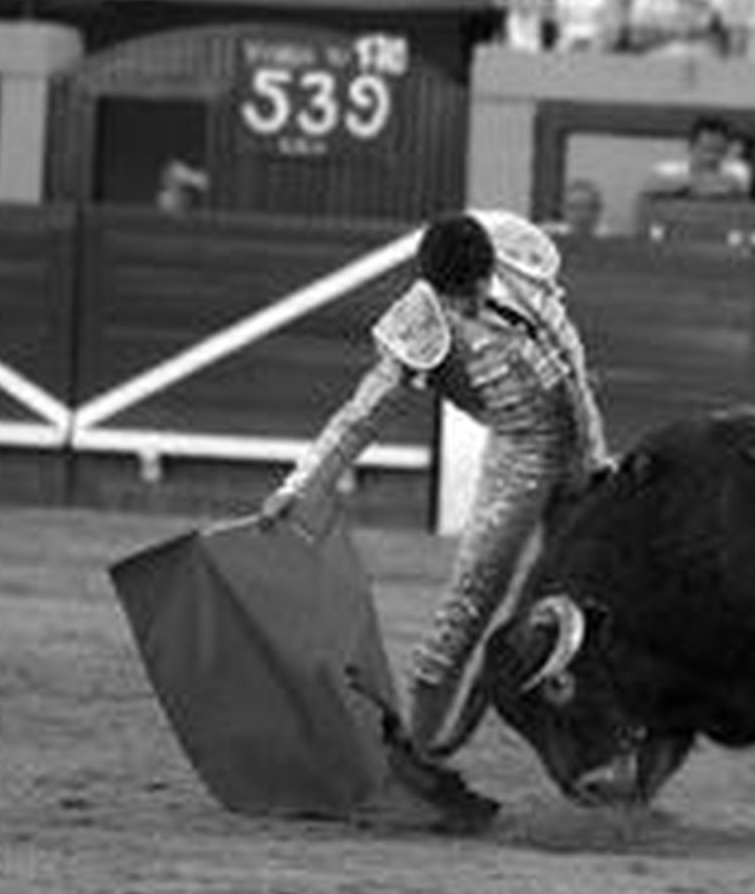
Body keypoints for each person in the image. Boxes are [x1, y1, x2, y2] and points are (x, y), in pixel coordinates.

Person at [259, 212, 612, 760]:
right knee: (466, 609)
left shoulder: (520, 265)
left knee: (608, 602)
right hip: (520, 458)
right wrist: (300, 486)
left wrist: (593, 456)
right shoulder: (420, 324)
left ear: (488, 268)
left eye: (472, 291)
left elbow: (573, 365)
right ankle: (415, 762)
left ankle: (609, 745)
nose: (468, 307)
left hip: (583, 461)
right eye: (456, 299)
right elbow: (361, 416)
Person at [642, 114, 755, 200]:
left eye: (718, 151)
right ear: (691, 147)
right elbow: (649, 191)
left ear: (726, 150)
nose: (711, 158)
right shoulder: (665, 171)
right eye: (705, 150)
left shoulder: (738, 171)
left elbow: (740, 194)